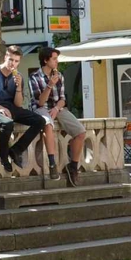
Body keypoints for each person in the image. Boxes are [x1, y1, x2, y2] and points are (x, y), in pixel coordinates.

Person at [0, 45, 47, 177]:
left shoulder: (18, 76)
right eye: (11, 60)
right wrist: (0, 108)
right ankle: (4, 157)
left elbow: (18, 104)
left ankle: (16, 150)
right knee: (7, 124)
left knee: (40, 121)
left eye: (16, 61)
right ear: (5, 57)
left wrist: (18, 87)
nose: (13, 64)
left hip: (13, 108)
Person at [30, 47, 86, 186]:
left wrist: (56, 108)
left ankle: (73, 167)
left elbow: (62, 99)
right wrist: (49, 85)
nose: (57, 61)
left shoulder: (59, 75)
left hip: (57, 108)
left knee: (80, 132)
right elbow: (40, 102)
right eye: (54, 59)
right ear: (45, 60)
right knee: (48, 124)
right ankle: (52, 164)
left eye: (57, 59)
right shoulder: (34, 77)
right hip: (40, 109)